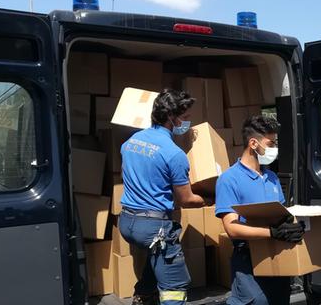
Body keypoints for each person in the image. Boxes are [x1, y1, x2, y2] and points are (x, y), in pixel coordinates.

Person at [118, 89, 211, 305]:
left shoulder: (132, 141)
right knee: (174, 286)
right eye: (186, 117)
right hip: (154, 227)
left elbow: (127, 174)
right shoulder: (174, 154)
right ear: (172, 117)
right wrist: (208, 199)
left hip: (127, 222)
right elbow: (186, 199)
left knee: (156, 259)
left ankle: (143, 295)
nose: (188, 122)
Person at [215, 115, 305, 305]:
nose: (274, 149)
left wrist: (293, 227)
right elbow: (232, 228)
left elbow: (282, 216)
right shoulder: (229, 179)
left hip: (276, 255)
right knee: (256, 301)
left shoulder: (271, 177)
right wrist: (271, 233)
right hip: (248, 258)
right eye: (270, 144)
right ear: (253, 143)